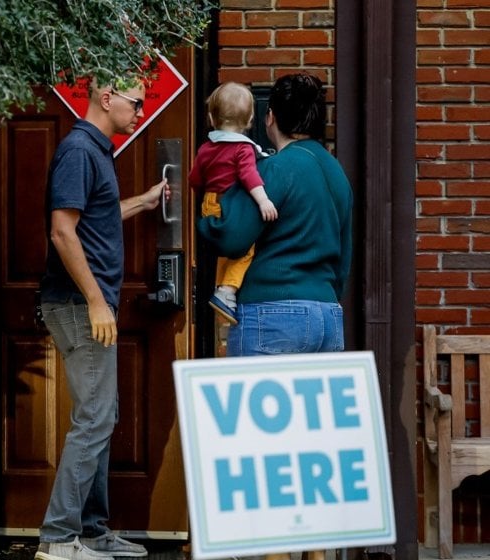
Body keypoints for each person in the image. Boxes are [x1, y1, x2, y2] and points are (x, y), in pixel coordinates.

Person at [197, 73, 353, 560]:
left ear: (270, 119)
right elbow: (344, 256)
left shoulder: (279, 169)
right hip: (327, 312)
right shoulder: (336, 174)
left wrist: (206, 212)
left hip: (273, 313)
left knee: (260, 458)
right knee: (311, 456)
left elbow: (231, 235)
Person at [35, 76, 167, 560]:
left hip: (85, 303)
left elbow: (97, 215)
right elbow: (63, 231)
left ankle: (90, 531)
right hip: (77, 304)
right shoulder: (78, 150)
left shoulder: (95, 150)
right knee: (93, 418)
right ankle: (57, 539)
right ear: (106, 98)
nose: (140, 111)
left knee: (101, 416)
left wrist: (145, 201)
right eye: (136, 102)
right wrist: (95, 300)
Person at [189, 81, 277, 325]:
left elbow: (195, 178)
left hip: (210, 203)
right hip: (231, 205)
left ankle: (222, 291)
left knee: (224, 252)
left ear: (210, 117)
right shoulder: (243, 149)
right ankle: (227, 290)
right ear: (250, 120)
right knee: (245, 248)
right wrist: (263, 201)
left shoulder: (206, 148)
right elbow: (249, 176)